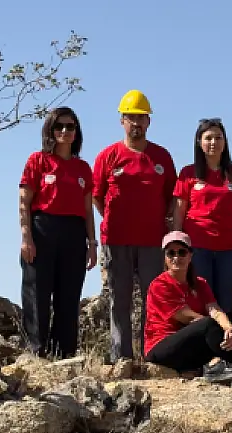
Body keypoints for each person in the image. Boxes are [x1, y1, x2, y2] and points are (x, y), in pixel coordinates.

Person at [92, 89, 177, 366]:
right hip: (117, 240)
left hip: (153, 241)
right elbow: (96, 194)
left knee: (154, 301)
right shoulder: (108, 156)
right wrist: (110, 218)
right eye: (131, 117)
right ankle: (121, 359)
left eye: (142, 118)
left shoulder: (162, 157)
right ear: (122, 121)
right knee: (120, 300)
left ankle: (151, 356)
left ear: (149, 122)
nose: (136, 123)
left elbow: (171, 198)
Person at [144, 231, 232, 389]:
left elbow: (214, 309)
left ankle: (216, 365)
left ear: (190, 255)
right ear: (165, 257)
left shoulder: (200, 283)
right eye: (171, 253)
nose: (176, 257)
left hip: (191, 344)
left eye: (182, 252)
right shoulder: (160, 285)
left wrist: (230, 329)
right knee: (208, 324)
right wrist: (229, 333)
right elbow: (189, 318)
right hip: (162, 347)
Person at [18, 107, 97, 359]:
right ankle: (37, 351)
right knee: (37, 292)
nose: (65, 131)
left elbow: (87, 209)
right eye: (59, 126)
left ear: (77, 132)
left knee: (69, 295)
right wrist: (26, 237)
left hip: (74, 234)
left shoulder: (83, 168)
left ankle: (64, 352)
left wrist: (92, 243)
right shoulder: (37, 160)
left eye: (70, 126)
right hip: (43, 229)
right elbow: (24, 202)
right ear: (50, 130)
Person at [173, 118, 232, 312]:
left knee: (225, 300)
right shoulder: (188, 173)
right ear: (199, 141)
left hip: (230, 248)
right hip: (197, 247)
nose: (214, 142)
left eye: (218, 137)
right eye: (208, 138)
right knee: (200, 300)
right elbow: (179, 212)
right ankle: (201, 343)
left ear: (225, 141)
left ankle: (225, 342)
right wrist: (176, 245)